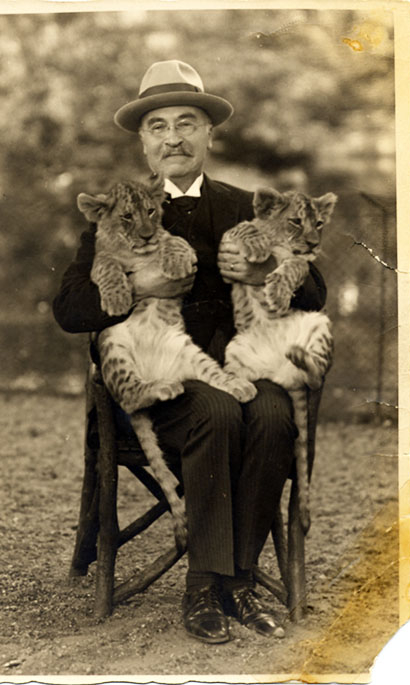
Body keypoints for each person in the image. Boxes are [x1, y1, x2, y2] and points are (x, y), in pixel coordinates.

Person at [53, 60, 326, 644]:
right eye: (157, 126)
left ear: (209, 133)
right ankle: (205, 585)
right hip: (163, 381)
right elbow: (69, 307)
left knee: (276, 415)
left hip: (241, 368)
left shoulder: (248, 204)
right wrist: (141, 289)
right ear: (145, 142)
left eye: (186, 122)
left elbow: (314, 288)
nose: (173, 137)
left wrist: (268, 265)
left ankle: (240, 579)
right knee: (217, 410)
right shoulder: (117, 211)